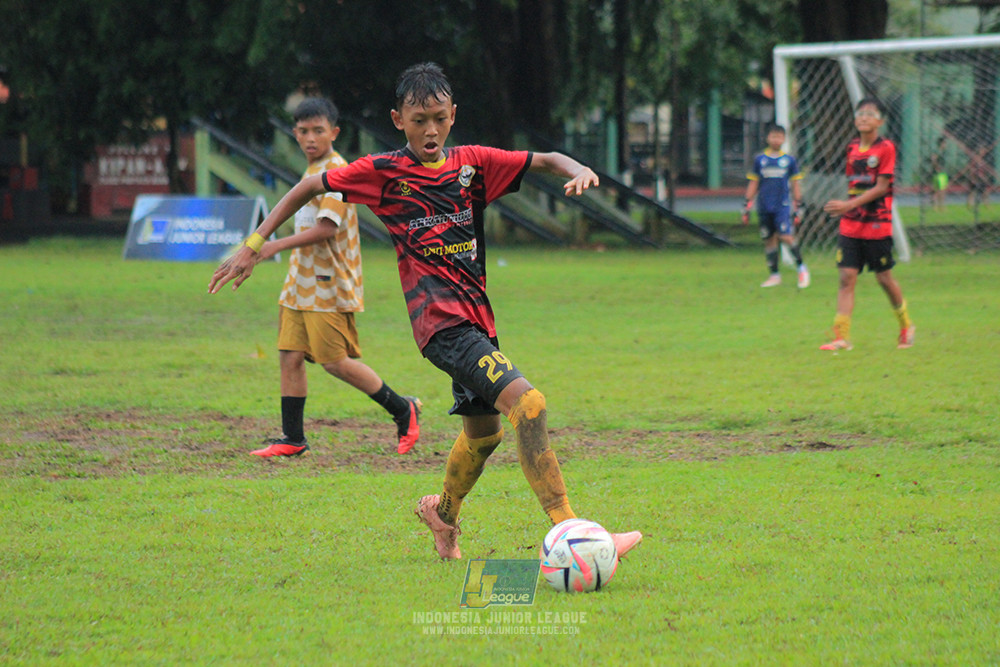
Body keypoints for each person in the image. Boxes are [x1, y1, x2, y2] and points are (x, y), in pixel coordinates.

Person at [209, 62, 642, 562]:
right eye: (418, 120)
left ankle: (443, 516)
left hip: (477, 321)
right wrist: (254, 244)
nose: (430, 129)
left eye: (438, 117)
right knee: (530, 404)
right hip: (441, 326)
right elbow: (309, 187)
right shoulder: (382, 173)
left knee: (484, 435)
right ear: (398, 120)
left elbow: (544, 159)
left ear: (453, 114)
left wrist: (579, 169)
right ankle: (575, 532)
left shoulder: (472, 163)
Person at [242, 96, 421, 457]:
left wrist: (274, 247)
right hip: (299, 282)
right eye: (304, 131)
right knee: (289, 356)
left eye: (318, 130)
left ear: (334, 133)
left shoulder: (338, 170)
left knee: (334, 362)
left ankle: (404, 409)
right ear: (294, 134)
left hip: (328, 283)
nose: (310, 138)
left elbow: (326, 228)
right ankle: (292, 439)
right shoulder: (310, 172)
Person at [821, 97, 914, 351]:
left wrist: (848, 205)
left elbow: (882, 187)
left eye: (870, 113)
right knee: (846, 277)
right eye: (860, 113)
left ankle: (906, 326)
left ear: (880, 121)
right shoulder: (852, 147)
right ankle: (842, 337)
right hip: (851, 224)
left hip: (877, 224)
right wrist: (849, 208)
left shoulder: (886, 148)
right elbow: (855, 185)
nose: (863, 117)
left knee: (884, 278)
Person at [742, 124, 809, 288]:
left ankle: (802, 268)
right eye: (773, 136)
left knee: (786, 236)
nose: (776, 139)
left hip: (782, 205)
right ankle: (774, 275)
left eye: (779, 136)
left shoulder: (789, 160)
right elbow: (754, 182)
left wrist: (798, 203)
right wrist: (747, 203)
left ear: (784, 139)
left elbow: (795, 183)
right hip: (764, 206)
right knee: (769, 240)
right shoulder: (760, 159)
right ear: (767, 138)